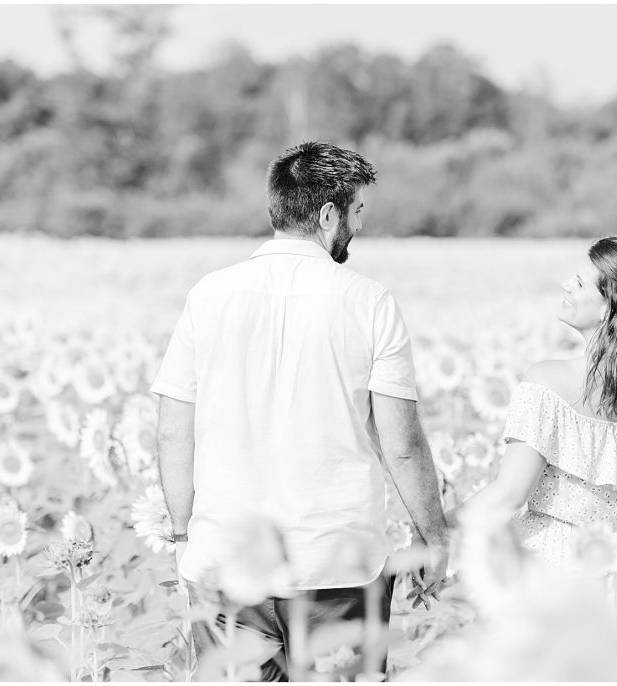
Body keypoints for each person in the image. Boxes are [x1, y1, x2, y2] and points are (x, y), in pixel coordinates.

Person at [151, 141, 449, 681]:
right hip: (334, 560)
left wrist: (180, 534)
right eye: (358, 212)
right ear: (329, 214)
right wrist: (434, 538)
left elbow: (174, 429)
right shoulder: (369, 301)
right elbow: (400, 443)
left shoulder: (209, 295)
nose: (359, 225)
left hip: (225, 557)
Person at [447, 236, 617, 646]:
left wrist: (435, 529)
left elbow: (509, 494)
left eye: (580, 283)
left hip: (554, 560)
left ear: (608, 307)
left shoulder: (548, 380)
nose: (566, 284)